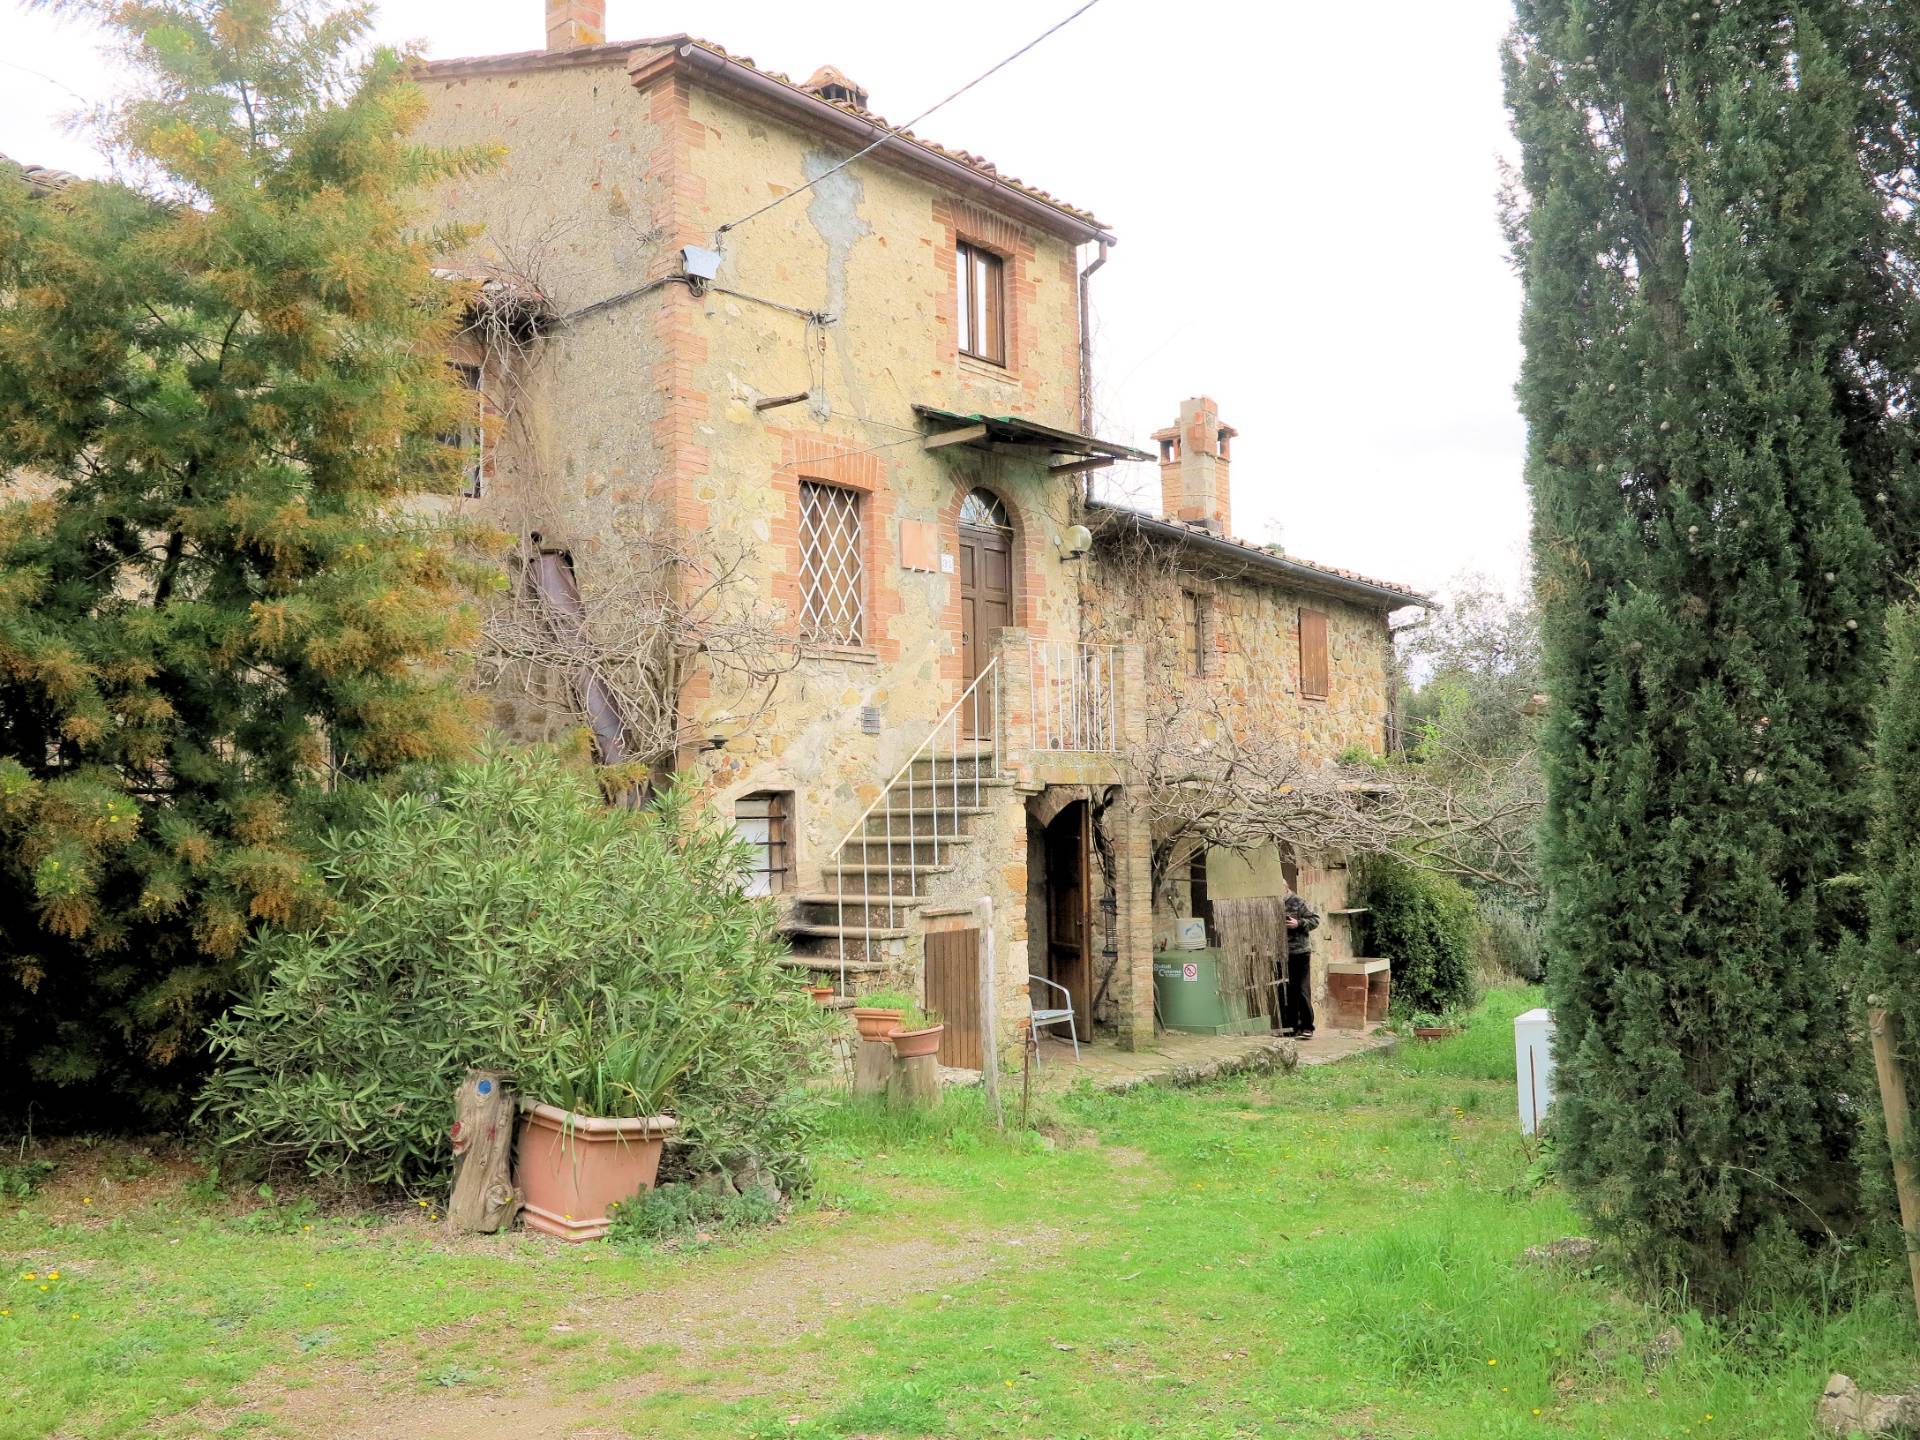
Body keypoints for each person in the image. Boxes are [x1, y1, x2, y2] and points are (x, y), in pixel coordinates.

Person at [1282, 889, 1320, 1039]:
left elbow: (1315, 920)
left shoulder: (1298, 901)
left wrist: (1298, 923)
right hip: (1282, 953)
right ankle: (1292, 1027)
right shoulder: (1273, 903)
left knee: (1302, 989)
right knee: (1288, 991)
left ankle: (1307, 1026)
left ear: (1285, 888)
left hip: (1300, 952)